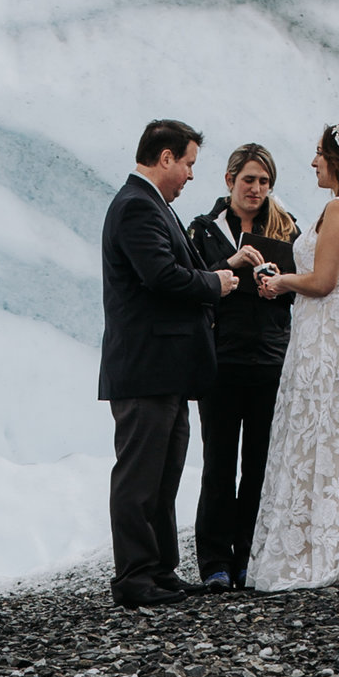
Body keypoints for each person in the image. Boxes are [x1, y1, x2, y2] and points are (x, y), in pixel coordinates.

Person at [98, 120, 253, 610]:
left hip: (166, 369)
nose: (190, 175)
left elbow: (171, 272)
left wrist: (216, 275)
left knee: (163, 477)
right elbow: (162, 276)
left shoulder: (151, 206)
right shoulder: (135, 207)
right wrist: (218, 283)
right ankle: (134, 576)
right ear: (165, 158)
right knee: (139, 476)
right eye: (187, 163)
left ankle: (161, 570)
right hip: (145, 367)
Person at [243, 123, 339, 591]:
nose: (313, 163)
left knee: (314, 432)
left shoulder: (337, 208)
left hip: (326, 334)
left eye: (319, 154)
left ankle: (309, 552)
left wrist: (281, 281)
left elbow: (324, 281)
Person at [186, 145, 301, 589]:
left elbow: (301, 289)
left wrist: (278, 282)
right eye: (248, 180)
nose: (256, 189)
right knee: (218, 464)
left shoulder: (288, 229)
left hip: (270, 360)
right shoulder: (204, 230)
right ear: (230, 179)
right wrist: (229, 265)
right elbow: (191, 284)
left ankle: (248, 557)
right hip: (221, 359)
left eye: (264, 181)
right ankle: (214, 562)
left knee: (259, 465)